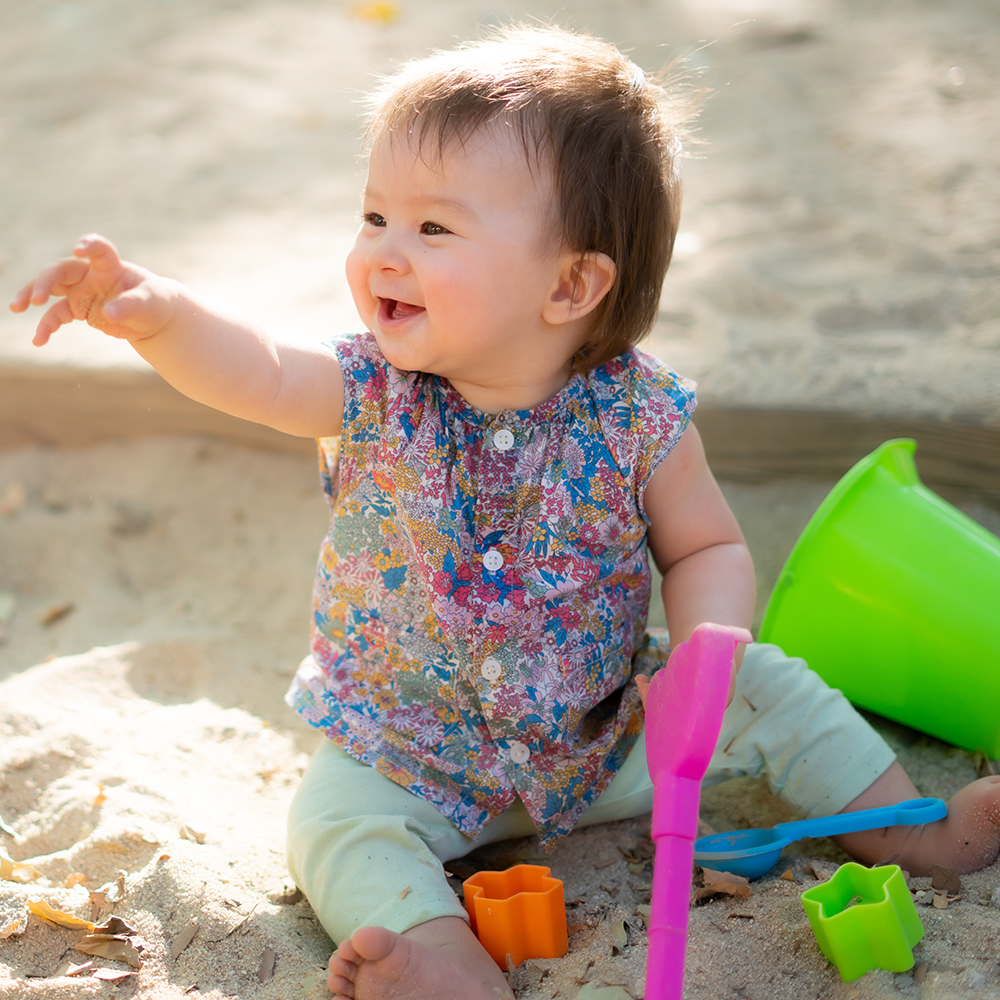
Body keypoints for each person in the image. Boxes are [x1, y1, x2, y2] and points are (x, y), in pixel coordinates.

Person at [10, 23, 1000, 1000]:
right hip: (407, 757)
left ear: (571, 283)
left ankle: (916, 828)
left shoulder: (639, 413)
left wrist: (707, 648)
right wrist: (162, 314)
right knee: (332, 827)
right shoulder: (371, 389)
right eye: (373, 217)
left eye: (432, 228)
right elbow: (258, 372)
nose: (384, 254)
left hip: (602, 737)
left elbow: (705, 543)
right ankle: (438, 954)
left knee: (774, 687)